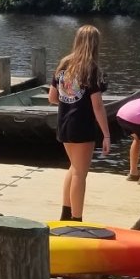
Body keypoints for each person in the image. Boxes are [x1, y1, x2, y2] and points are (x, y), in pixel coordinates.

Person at [48, 25, 111, 222]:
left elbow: (52, 97)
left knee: (74, 168)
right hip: (82, 127)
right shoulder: (92, 69)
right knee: (80, 174)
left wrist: (70, 103)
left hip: (64, 124)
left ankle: (65, 214)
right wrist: (107, 135)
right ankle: (77, 220)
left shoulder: (63, 64)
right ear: (95, 44)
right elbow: (98, 106)